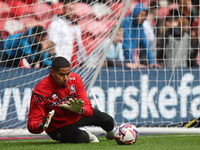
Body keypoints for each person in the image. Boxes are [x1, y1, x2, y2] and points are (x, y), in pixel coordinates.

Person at [27, 56, 114, 143]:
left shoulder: (75, 79)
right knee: (83, 138)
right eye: (62, 75)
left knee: (108, 121)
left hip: (76, 116)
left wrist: (81, 110)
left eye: (68, 74)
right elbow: (32, 124)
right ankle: (83, 132)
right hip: (58, 127)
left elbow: (88, 107)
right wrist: (41, 125)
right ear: (52, 72)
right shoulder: (40, 91)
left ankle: (111, 135)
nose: (66, 78)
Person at [122, 3, 161, 70]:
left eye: (144, 15)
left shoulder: (140, 26)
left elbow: (145, 43)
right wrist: (130, 62)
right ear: (135, 13)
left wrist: (151, 62)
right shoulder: (127, 22)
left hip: (131, 56)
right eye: (140, 14)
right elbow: (127, 43)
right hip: (121, 56)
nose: (141, 17)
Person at [48, 0, 87, 67]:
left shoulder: (76, 26)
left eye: (73, 9)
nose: (71, 12)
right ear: (64, 8)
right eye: (69, 9)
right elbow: (52, 44)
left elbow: (80, 46)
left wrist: (83, 62)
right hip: (58, 63)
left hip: (71, 63)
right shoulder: (56, 24)